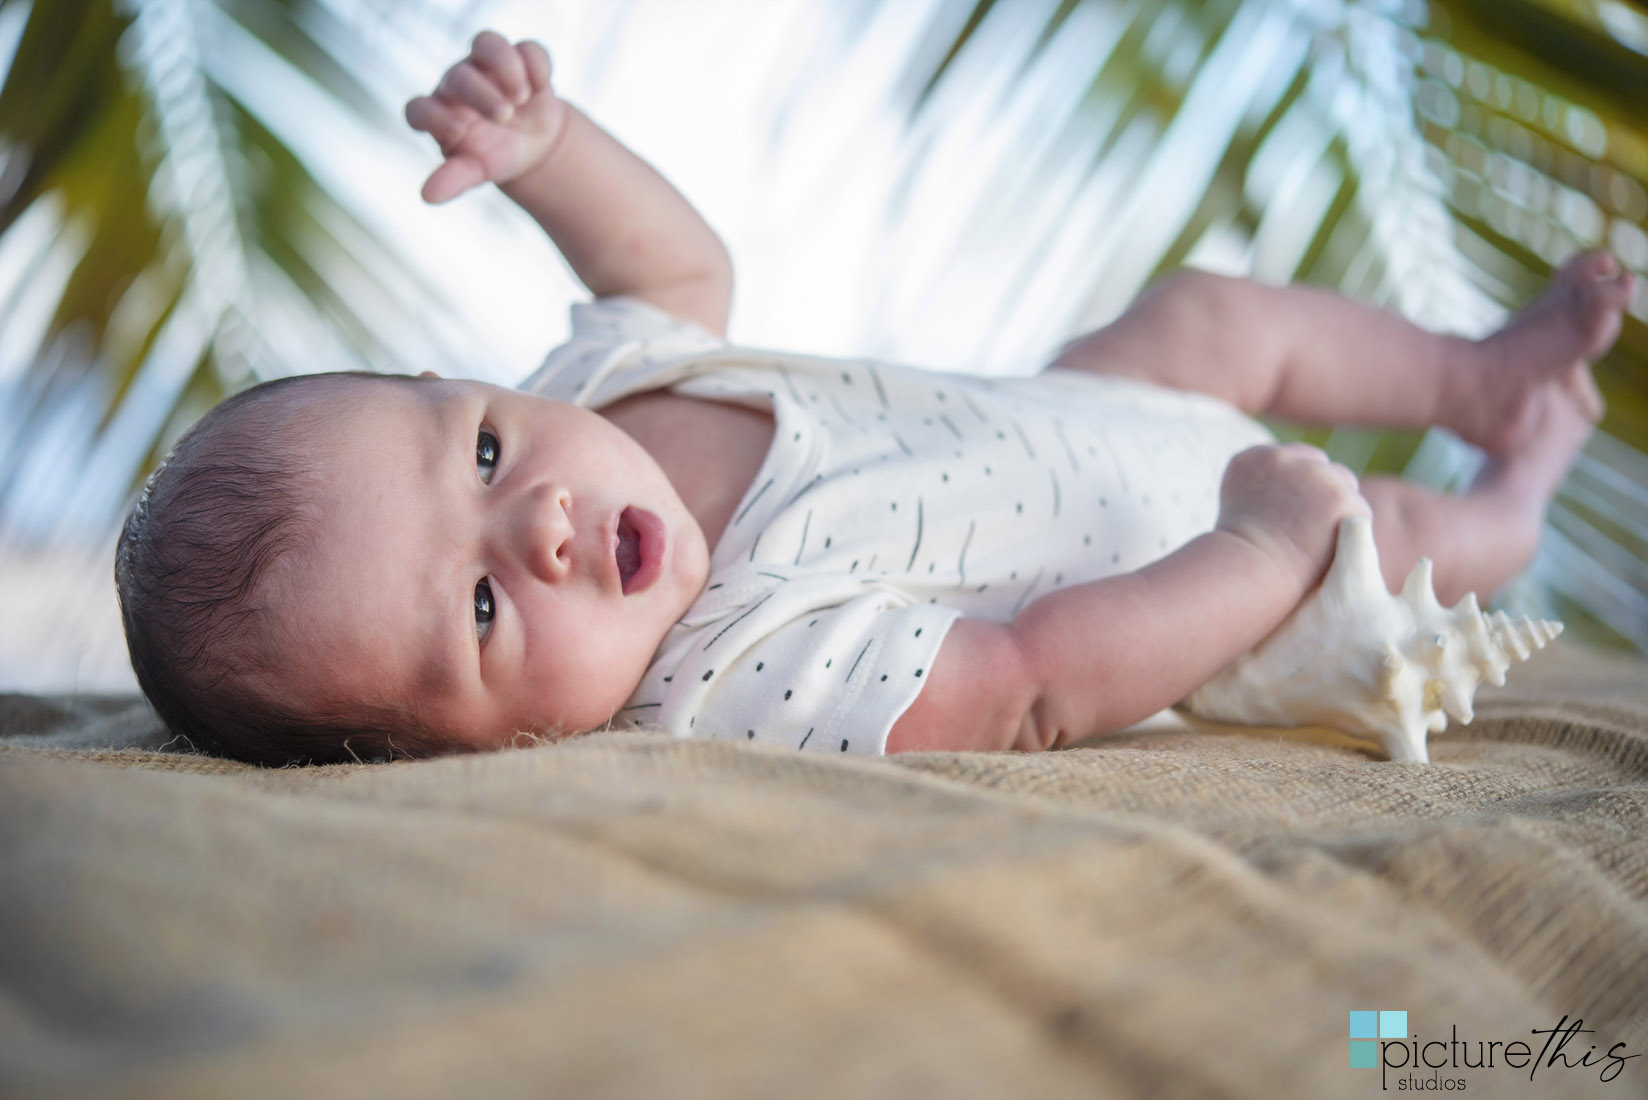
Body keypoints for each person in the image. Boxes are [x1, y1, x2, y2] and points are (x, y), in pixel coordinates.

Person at [114, 33, 1634, 766]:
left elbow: (679, 266)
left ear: (481, 389)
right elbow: (1028, 681)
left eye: (489, 452)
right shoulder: (733, 676)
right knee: (1385, 523)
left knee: (1209, 313)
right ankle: (1508, 496)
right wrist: (1248, 556)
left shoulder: (606, 390)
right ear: (474, 752)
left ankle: (1481, 372)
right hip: (1180, 555)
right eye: (487, 615)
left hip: (1086, 407)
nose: (549, 523)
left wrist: (551, 152)